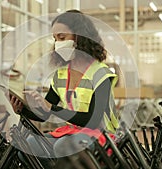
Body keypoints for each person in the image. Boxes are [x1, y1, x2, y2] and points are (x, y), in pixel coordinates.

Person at [9, 9, 119, 166]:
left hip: (102, 135)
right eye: (55, 39)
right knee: (28, 146)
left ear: (80, 37)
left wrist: (52, 108)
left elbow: (93, 121)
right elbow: (44, 114)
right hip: (72, 134)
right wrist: (22, 109)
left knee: (64, 147)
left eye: (62, 37)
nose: (57, 44)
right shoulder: (61, 75)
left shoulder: (101, 74)